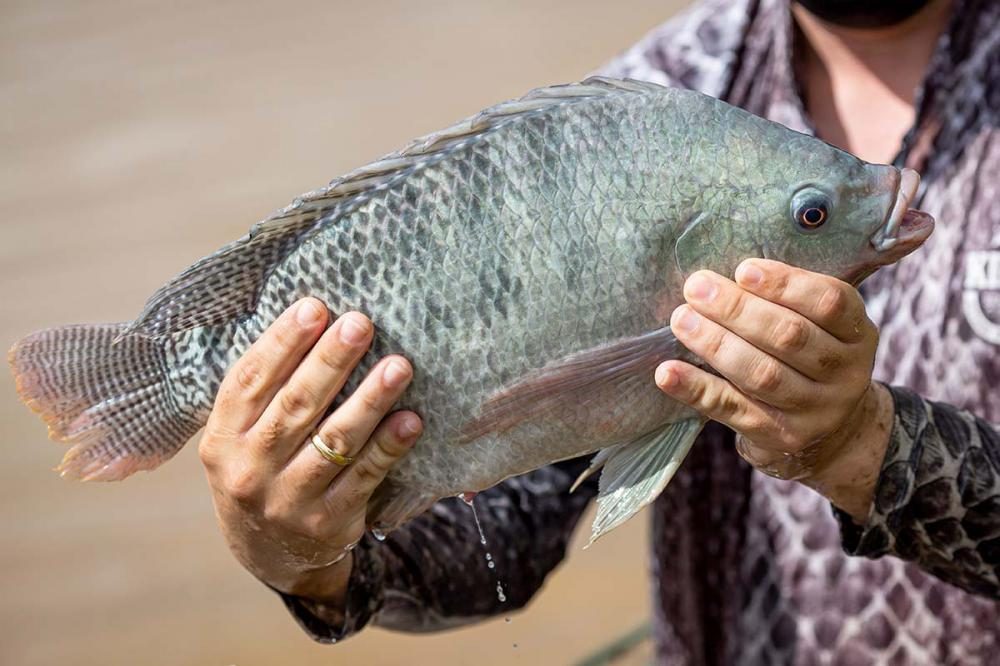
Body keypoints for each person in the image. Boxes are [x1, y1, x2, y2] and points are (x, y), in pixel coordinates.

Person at [195, 0, 1000, 662]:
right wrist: (305, 556)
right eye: (816, 213)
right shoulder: (664, 90)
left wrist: (868, 451)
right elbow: (497, 534)